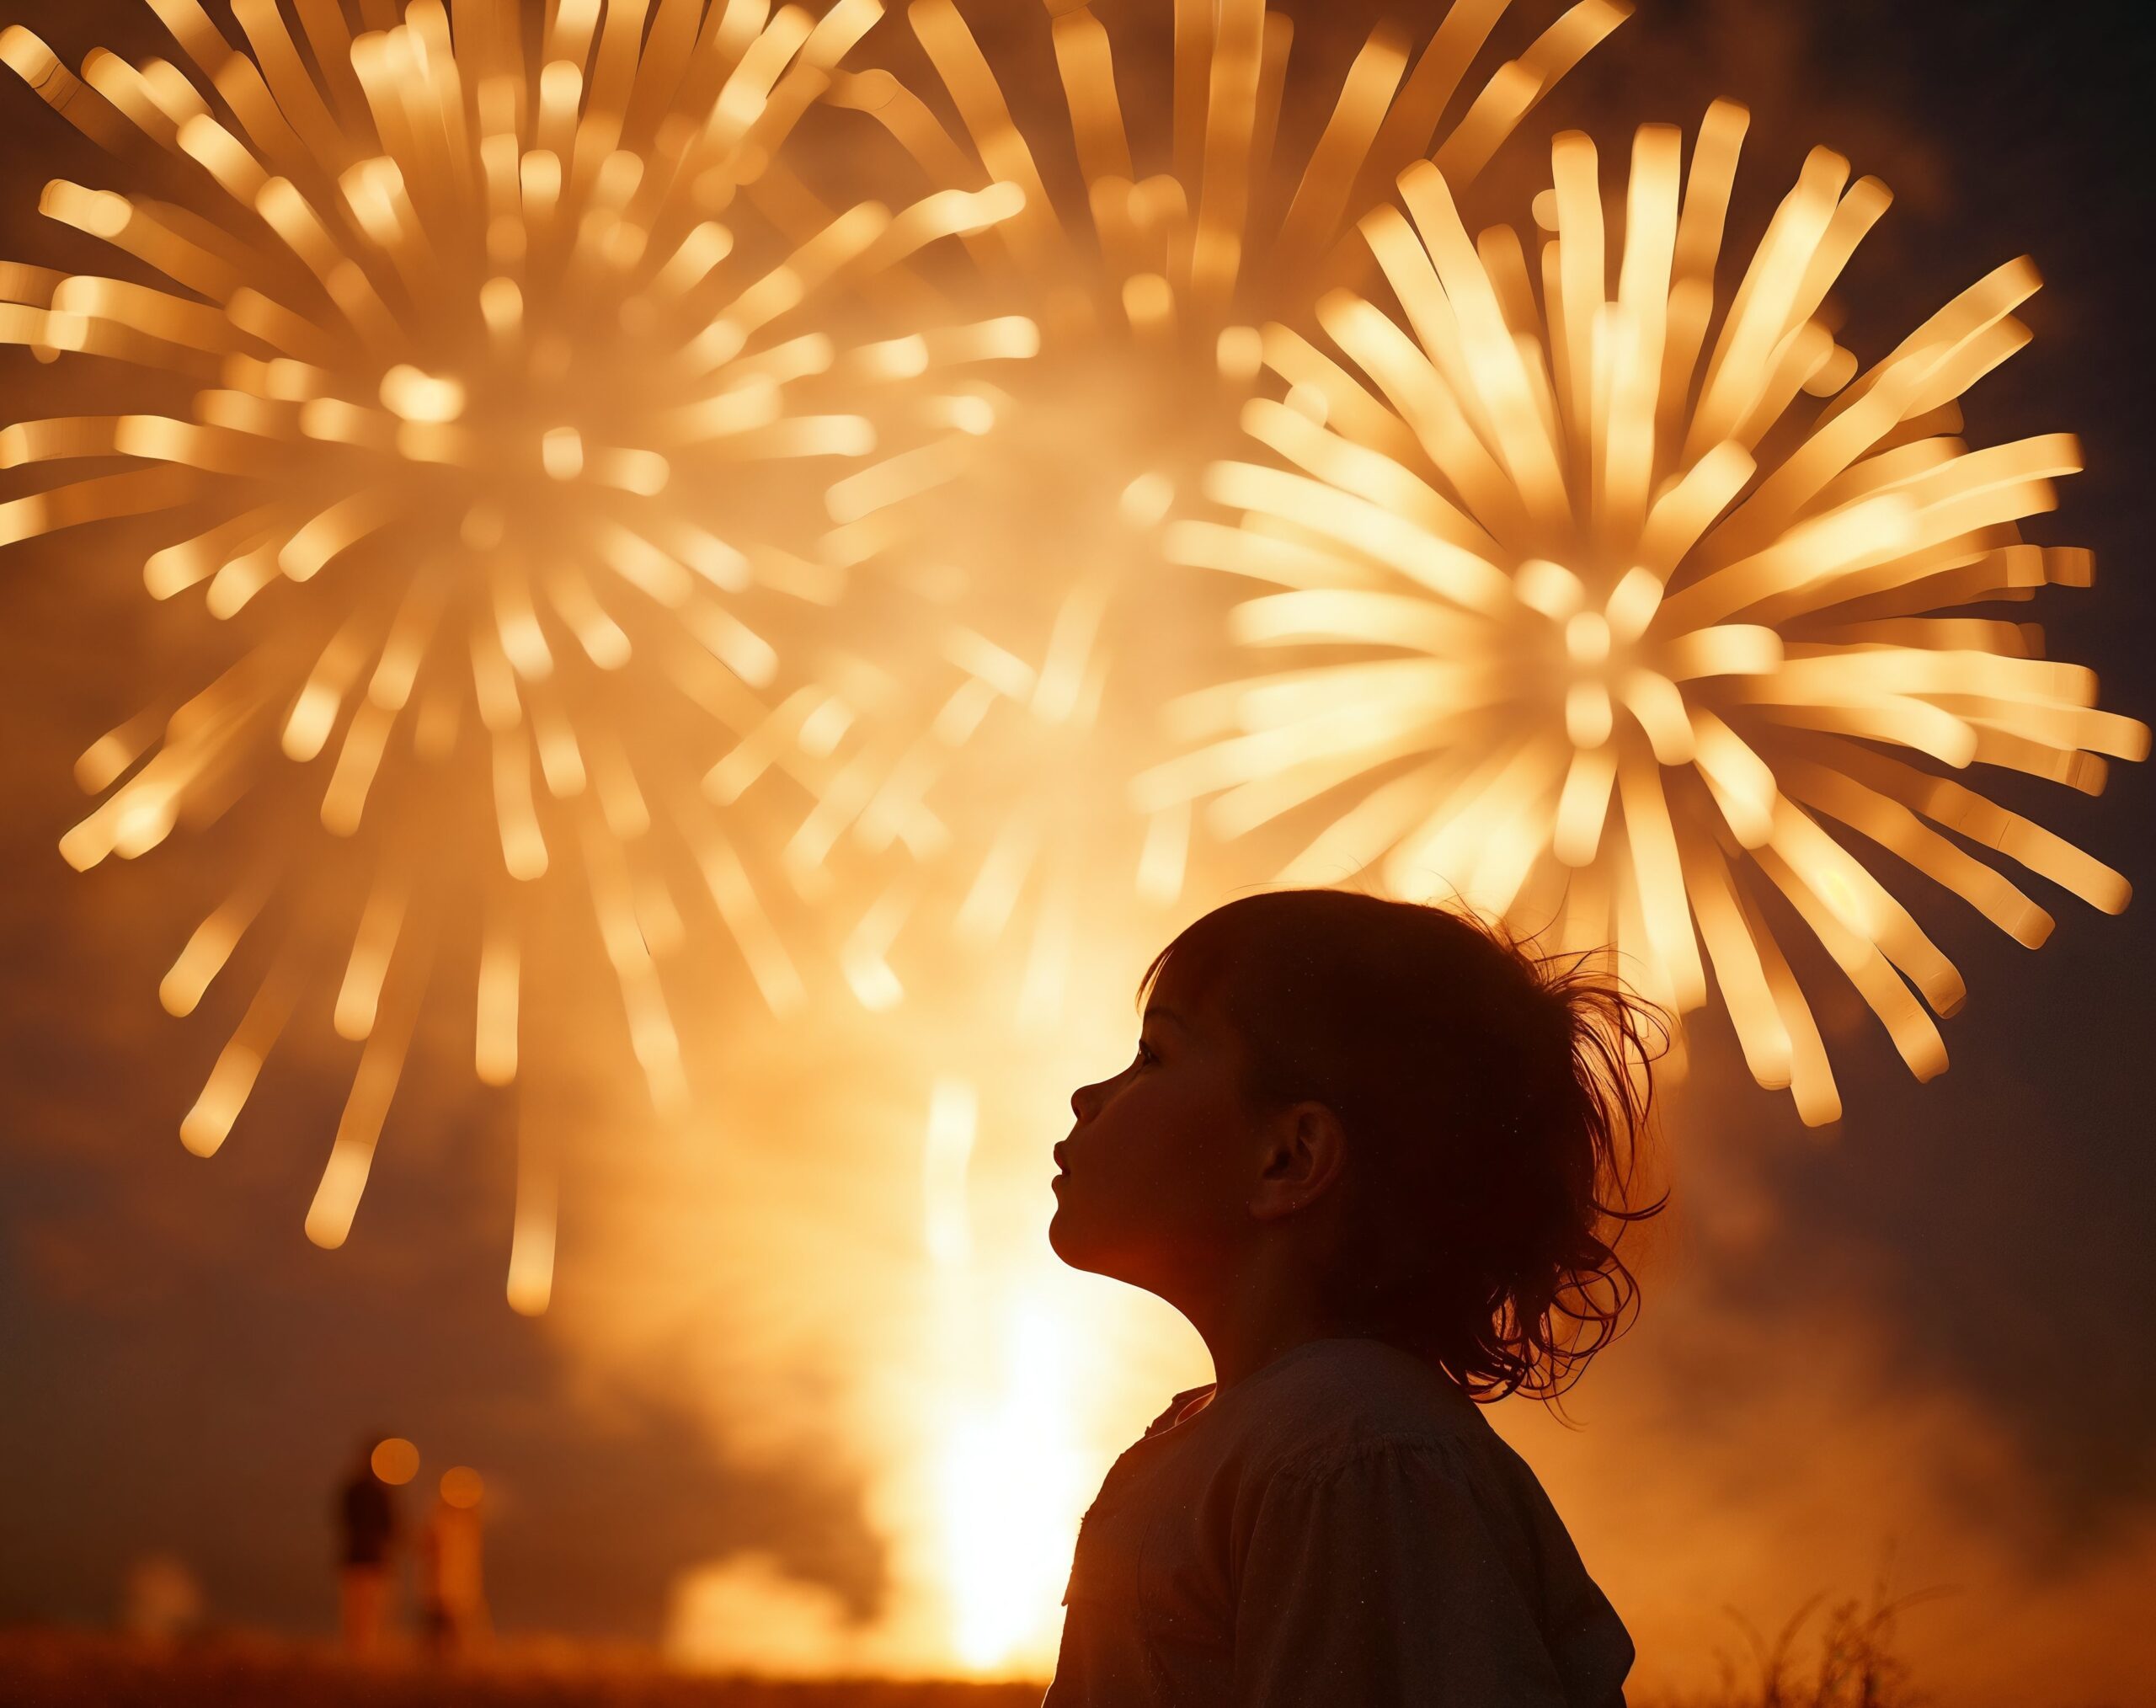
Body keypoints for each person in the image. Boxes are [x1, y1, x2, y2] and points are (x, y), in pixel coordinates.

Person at [1043, 889, 1666, 1707]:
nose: (1088, 1097)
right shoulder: (1293, 1436)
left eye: (1153, 1055)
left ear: (1290, 1160)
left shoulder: (1350, 1455)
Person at [336, 1438, 402, 1657]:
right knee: (372, 1614)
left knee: (354, 1614)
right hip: (376, 1560)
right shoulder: (383, 1493)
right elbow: (392, 1528)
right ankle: (366, 1657)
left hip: (352, 1557)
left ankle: (355, 1655)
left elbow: (341, 1519)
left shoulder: (351, 1488)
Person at [418, 1466, 490, 1658]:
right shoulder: (445, 1521)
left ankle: (455, 1661)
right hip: (446, 1587)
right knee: (440, 1633)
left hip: (456, 1587)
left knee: (454, 1634)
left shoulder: (463, 1523)